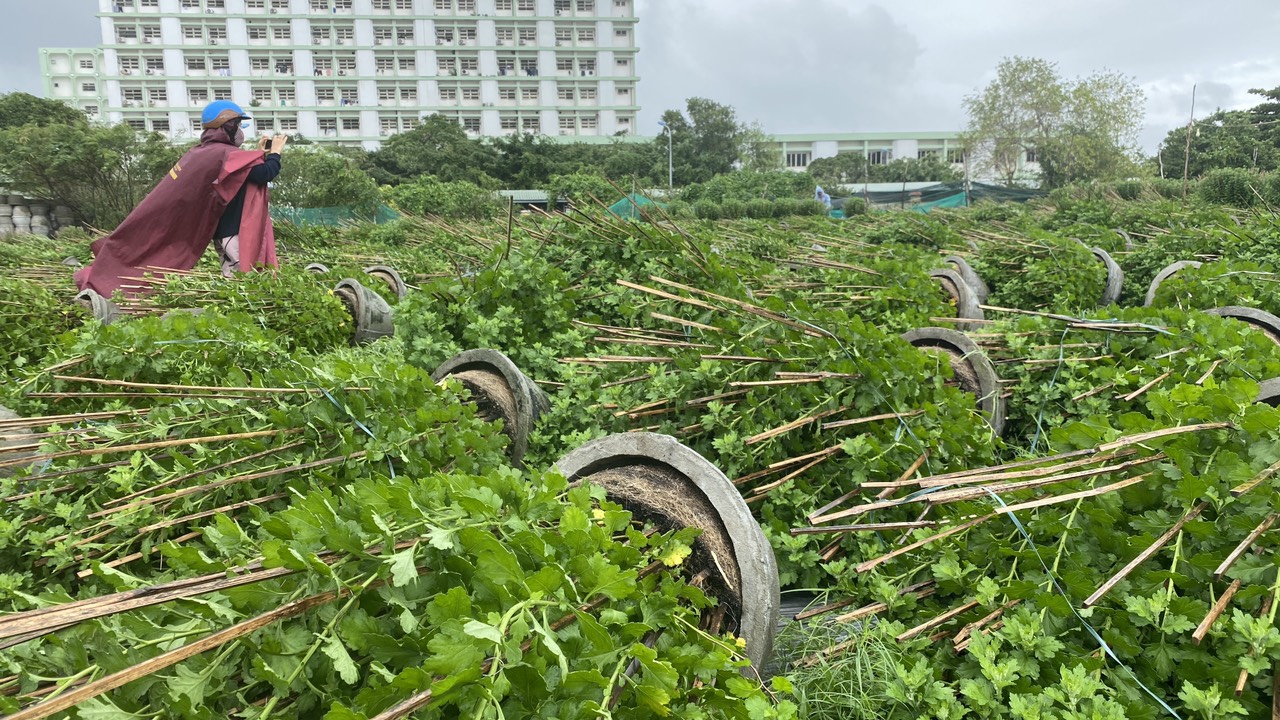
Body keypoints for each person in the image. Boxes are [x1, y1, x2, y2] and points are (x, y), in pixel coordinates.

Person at [74, 101, 286, 297]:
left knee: (234, 273)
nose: (240, 132)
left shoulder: (203, 152)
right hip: (233, 229)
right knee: (241, 280)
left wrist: (259, 154)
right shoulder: (225, 154)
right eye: (238, 125)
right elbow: (264, 174)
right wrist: (275, 153)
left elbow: (246, 171)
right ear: (227, 126)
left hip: (223, 229)